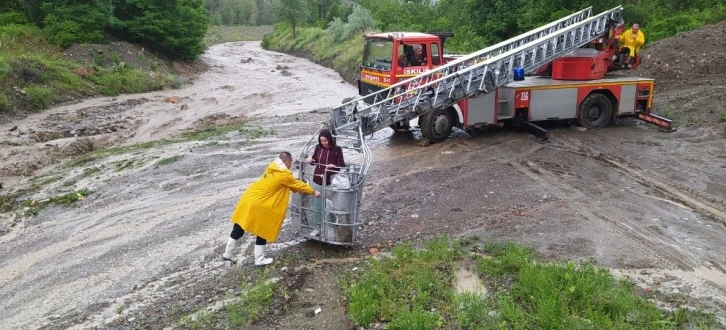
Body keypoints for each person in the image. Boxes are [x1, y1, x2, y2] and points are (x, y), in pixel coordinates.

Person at [221, 152, 321, 266]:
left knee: (239, 226)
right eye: (290, 162)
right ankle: (259, 259)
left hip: (249, 198)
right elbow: (297, 185)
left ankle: (227, 255)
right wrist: (313, 191)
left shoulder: (272, 167)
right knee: (263, 229)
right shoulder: (284, 174)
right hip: (260, 203)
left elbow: (287, 183)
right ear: (286, 161)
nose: (290, 165)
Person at [305, 128, 345, 237]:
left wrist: (334, 166)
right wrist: (311, 160)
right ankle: (317, 227)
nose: (323, 143)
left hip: (330, 180)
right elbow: (315, 161)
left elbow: (341, 165)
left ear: (330, 139)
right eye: (321, 141)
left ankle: (332, 220)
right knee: (317, 204)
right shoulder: (318, 148)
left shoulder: (337, 149)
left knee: (329, 202)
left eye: (325, 141)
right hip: (317, 178)